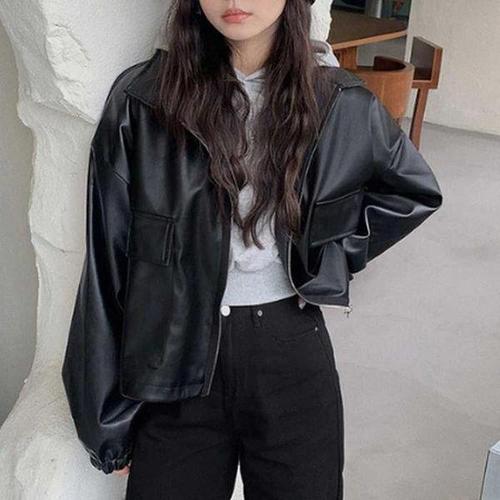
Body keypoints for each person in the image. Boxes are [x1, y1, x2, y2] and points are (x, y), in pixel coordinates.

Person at [61, 0, 443, 498]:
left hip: (290, 349)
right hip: (174, 358)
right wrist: (107, 420)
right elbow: (107, 261)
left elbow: (412, 191)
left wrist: (327, 255)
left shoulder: (335, 100)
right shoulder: (144, 100)